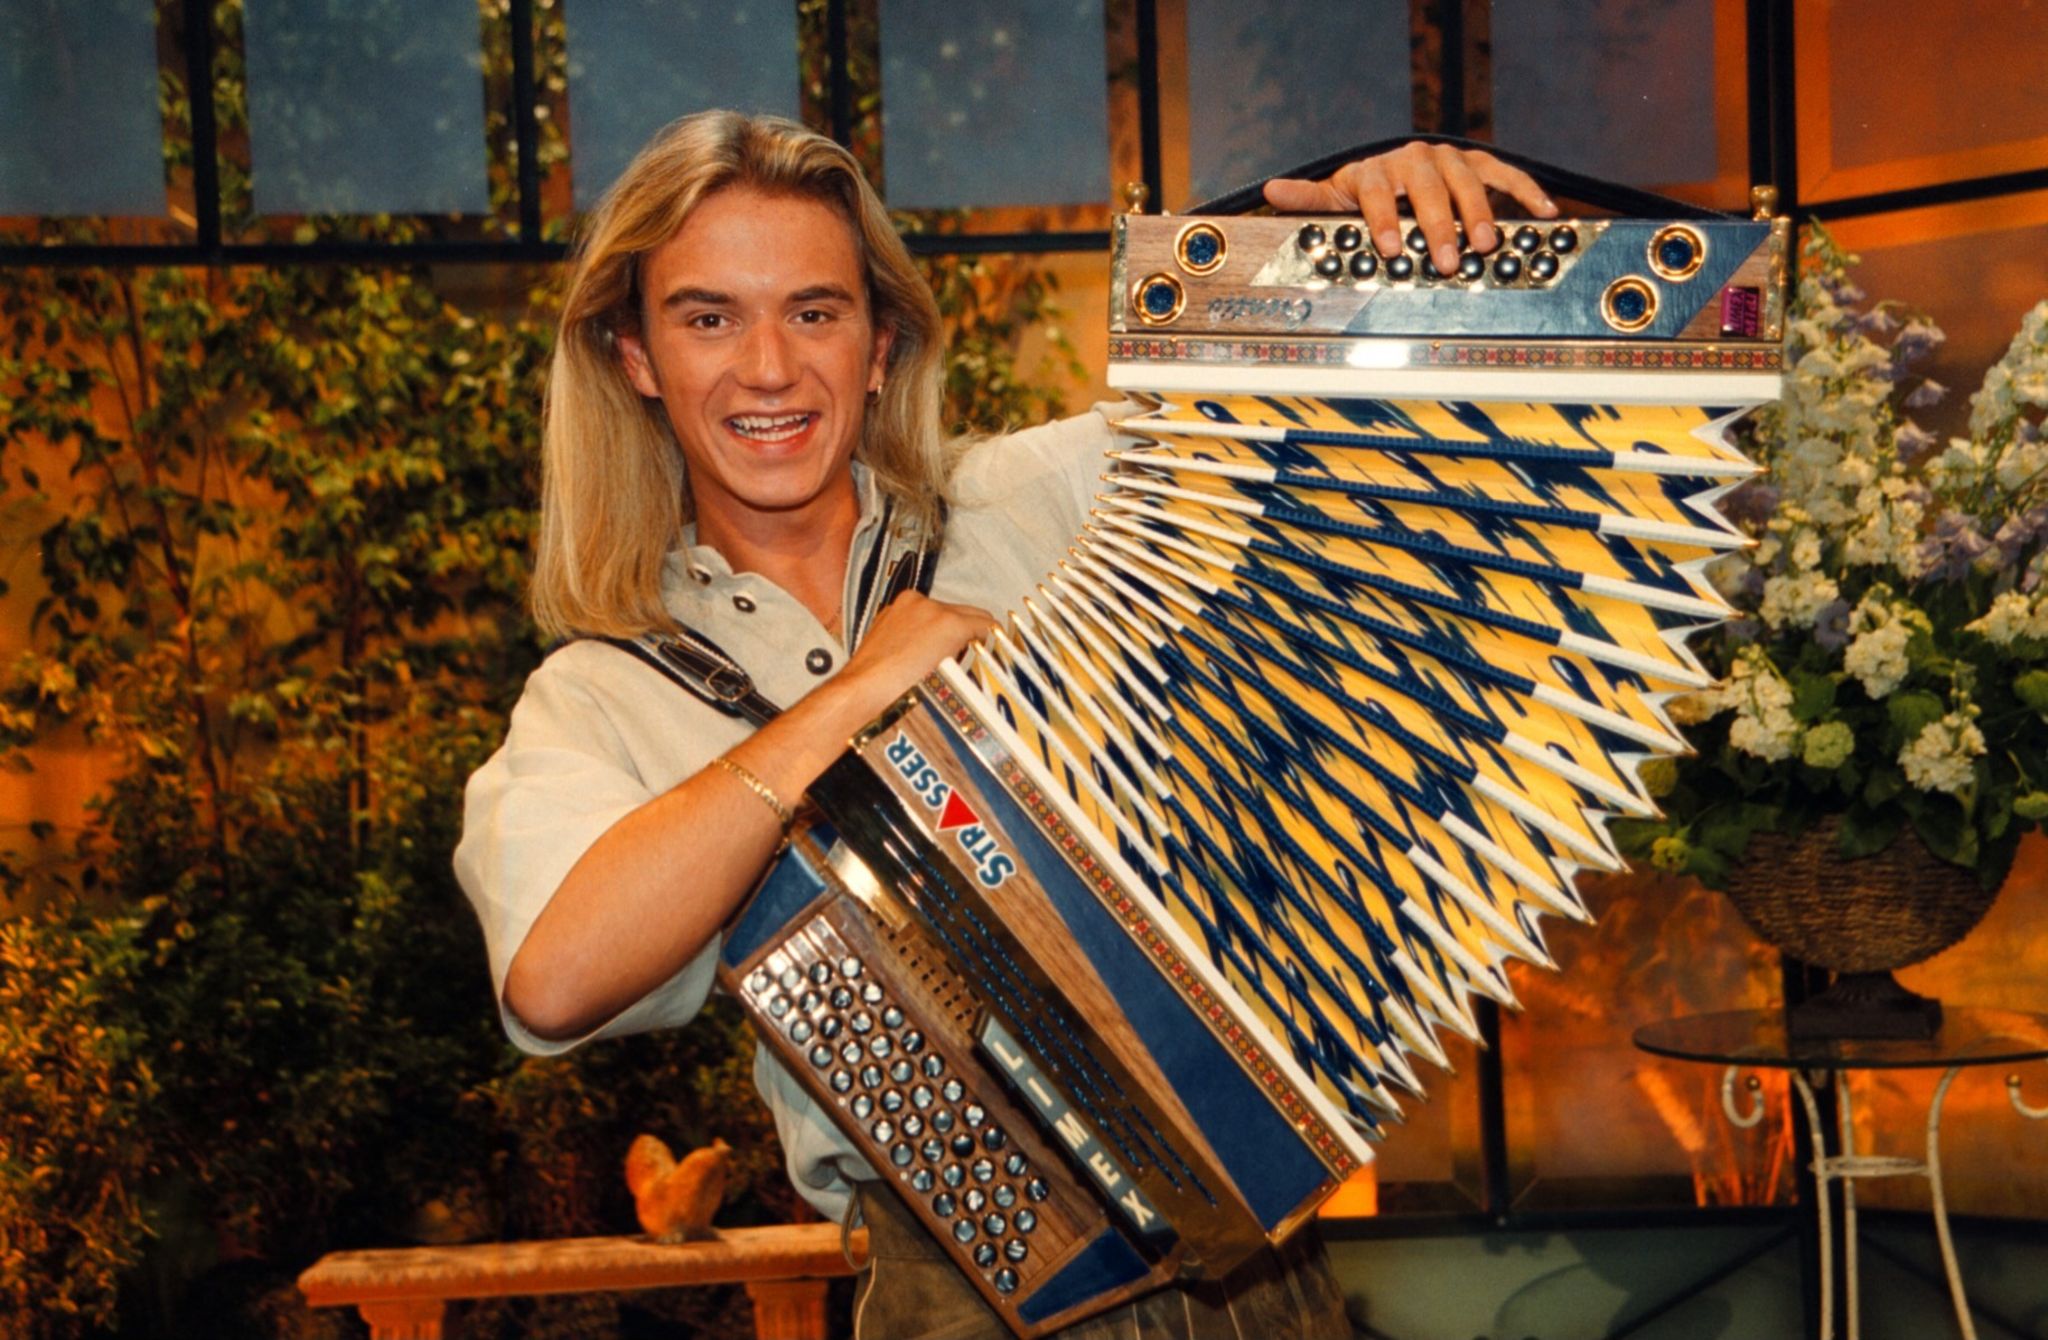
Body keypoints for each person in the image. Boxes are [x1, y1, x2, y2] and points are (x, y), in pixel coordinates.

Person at [455, 110, 1553, 1338]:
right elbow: (552, 980)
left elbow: (1369, 453)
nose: (768, 367)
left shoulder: (1060, 495)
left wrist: (1386, 249)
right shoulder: (607, 690)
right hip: (967, 1284)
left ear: (879, 345)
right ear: (636, 357)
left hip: (1261, 1264)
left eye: (814, 311)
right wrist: (855, 694)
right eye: (708, 318)